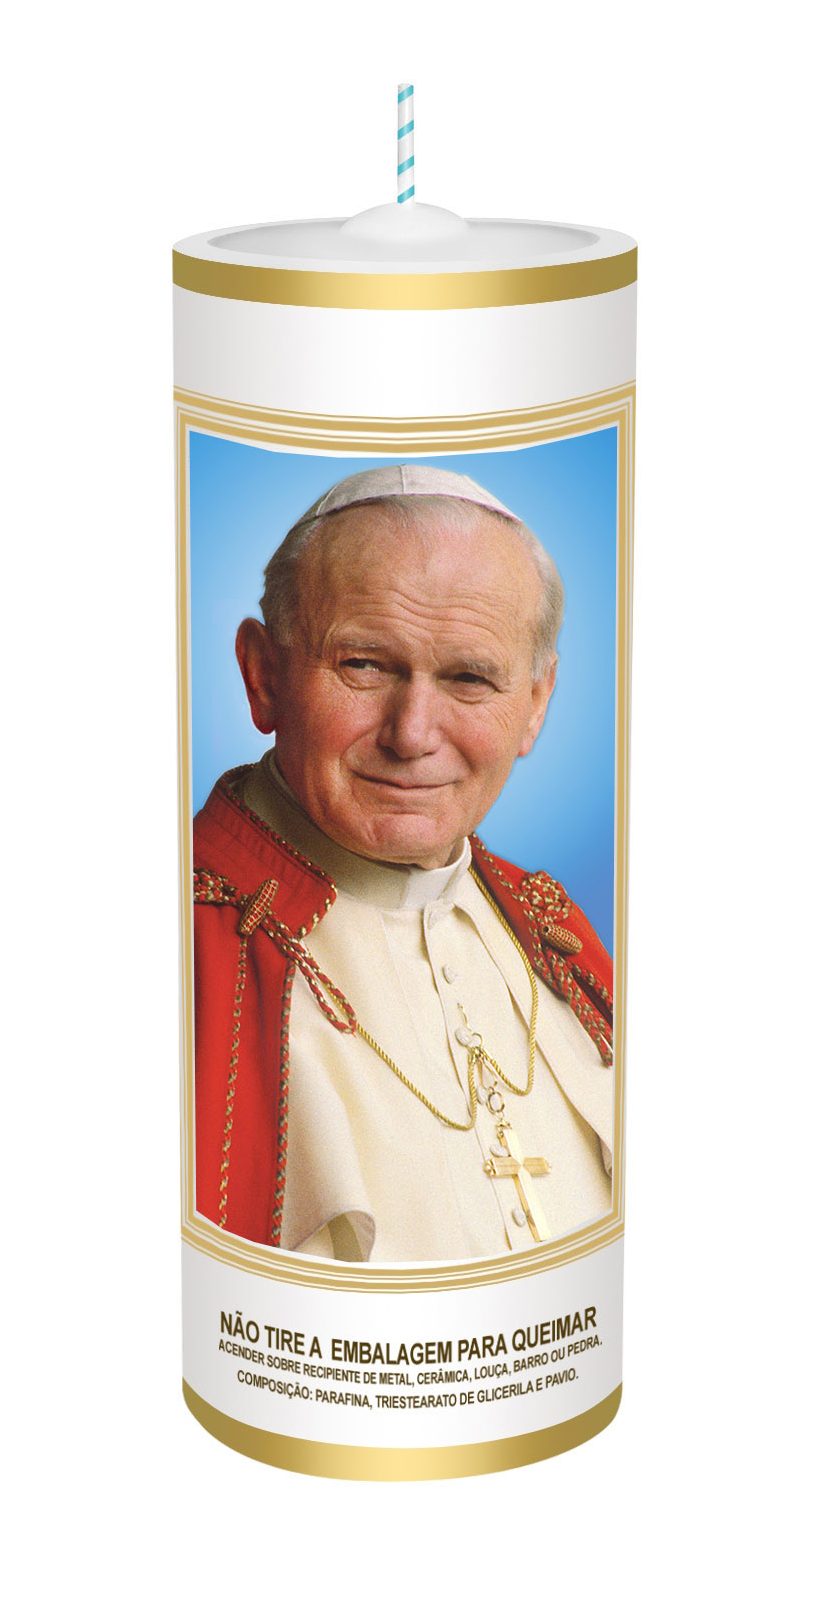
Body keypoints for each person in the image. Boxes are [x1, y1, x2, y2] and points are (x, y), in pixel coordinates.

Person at [192, 464, 615, 1262]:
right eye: (365, 665)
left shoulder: (553, 930)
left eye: (469, 678)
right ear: (263, 675)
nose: (412, 733)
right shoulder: (188, 948)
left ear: (535, 704)